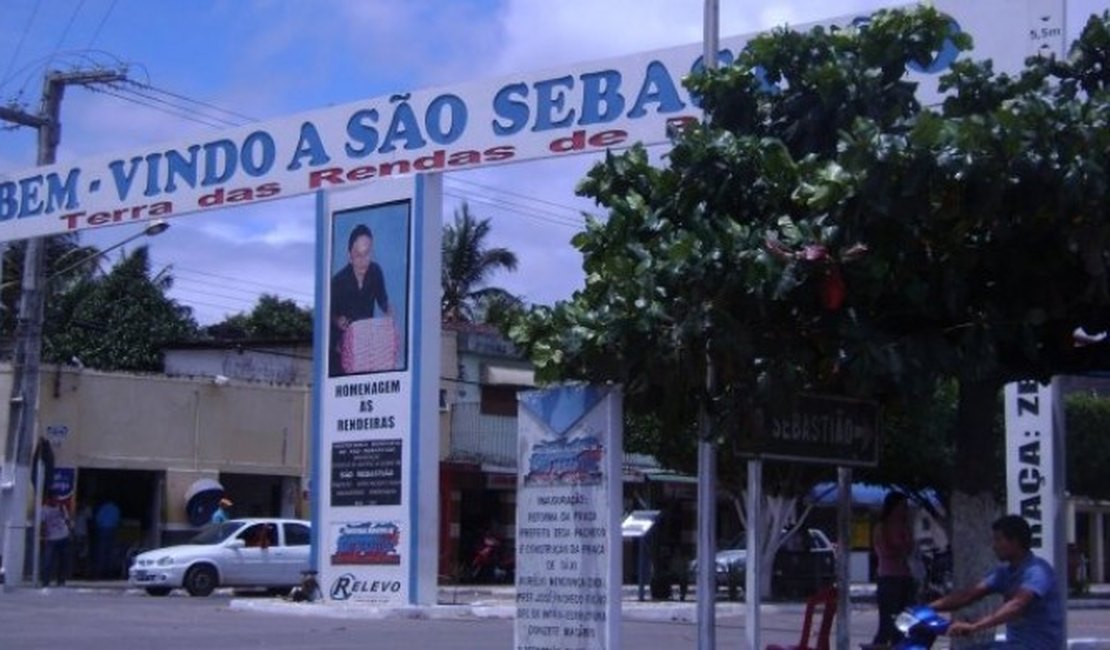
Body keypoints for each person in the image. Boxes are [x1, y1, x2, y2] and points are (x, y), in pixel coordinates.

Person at [930, 515, 1064, 649]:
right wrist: (927, 608)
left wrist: (974, 626)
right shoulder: (1004, 573)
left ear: (1015, 541)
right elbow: (968, 595)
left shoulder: (1038, 571)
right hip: (1015, 645)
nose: (994, 546)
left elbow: (1016, 605)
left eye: (998, 540)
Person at [330, 224, 397, 375]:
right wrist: (337, 320)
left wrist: (389, 310)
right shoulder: (337, 282)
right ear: (349, 256)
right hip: (340, 350)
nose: (363, 260)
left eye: (367, 254)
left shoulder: (375, 272)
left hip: (365, 348)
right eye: (358, 255)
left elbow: (383, 300)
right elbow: (328, 313)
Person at [871, 491, 916, 645]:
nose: (905, 510)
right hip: (888, 578)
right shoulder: (882, 527)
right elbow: (886, 551)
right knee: (887, 624)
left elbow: (909, 548)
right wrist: (900, 550)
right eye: (902, 506)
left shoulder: (904, 526)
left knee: (903, 625)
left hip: (905, 576)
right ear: (893, 507)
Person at [40, 497, 72, 587]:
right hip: (51, 538)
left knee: (63, 560)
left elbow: (67, 520)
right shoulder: (44, 509)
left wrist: (70, 532)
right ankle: (46, 580)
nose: (55, 501)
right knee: (48, 560)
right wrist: (44, 536)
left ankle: (61, 580)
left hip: (63, 536)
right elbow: (43, 523)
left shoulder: (61, 507)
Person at [93, 499, 120, 579]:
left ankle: (100, 570)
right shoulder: (115, 508)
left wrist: (98, 528)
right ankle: (109, 571)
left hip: (103, 530)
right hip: (112, 530)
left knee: (102, 551)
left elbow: (98, 519)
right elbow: (117, 520)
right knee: (110, 551)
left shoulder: (103, 508)